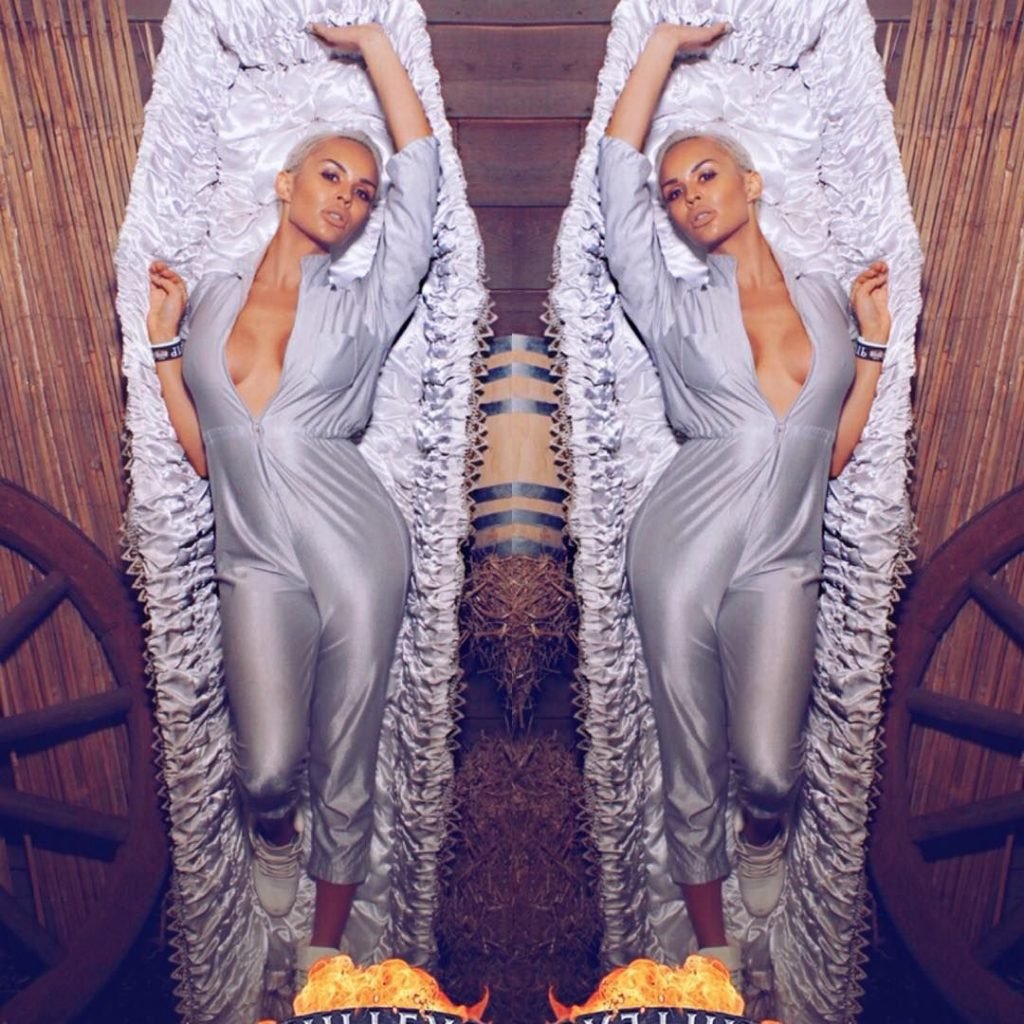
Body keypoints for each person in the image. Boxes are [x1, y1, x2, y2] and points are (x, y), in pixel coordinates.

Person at [144, 21, 439, 984]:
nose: (347, 198)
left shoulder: (365, 301)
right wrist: (163, 350)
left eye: (362, 192)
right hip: (256, 557)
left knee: (346, 751)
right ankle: (275, 835)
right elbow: (207, 456)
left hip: (358, 548)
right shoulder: (214, 300)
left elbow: (423, 180)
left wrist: (378, 51)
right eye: (330, 176)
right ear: (284, 183)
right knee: (268, 766)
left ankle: (325, 941)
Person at [597, 21, 891, 980]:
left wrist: (873, 350)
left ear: (753, 183)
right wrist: (659, 51)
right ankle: (713, 946)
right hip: (679, 548)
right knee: (691, 753)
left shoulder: (824, 299)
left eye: (706, 176)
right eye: (675, 192)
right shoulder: (672, 301)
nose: (689, 199)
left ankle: (762, 834)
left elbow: (828, 456)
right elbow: (614, 181)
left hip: (781, 557)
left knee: (768, 765)